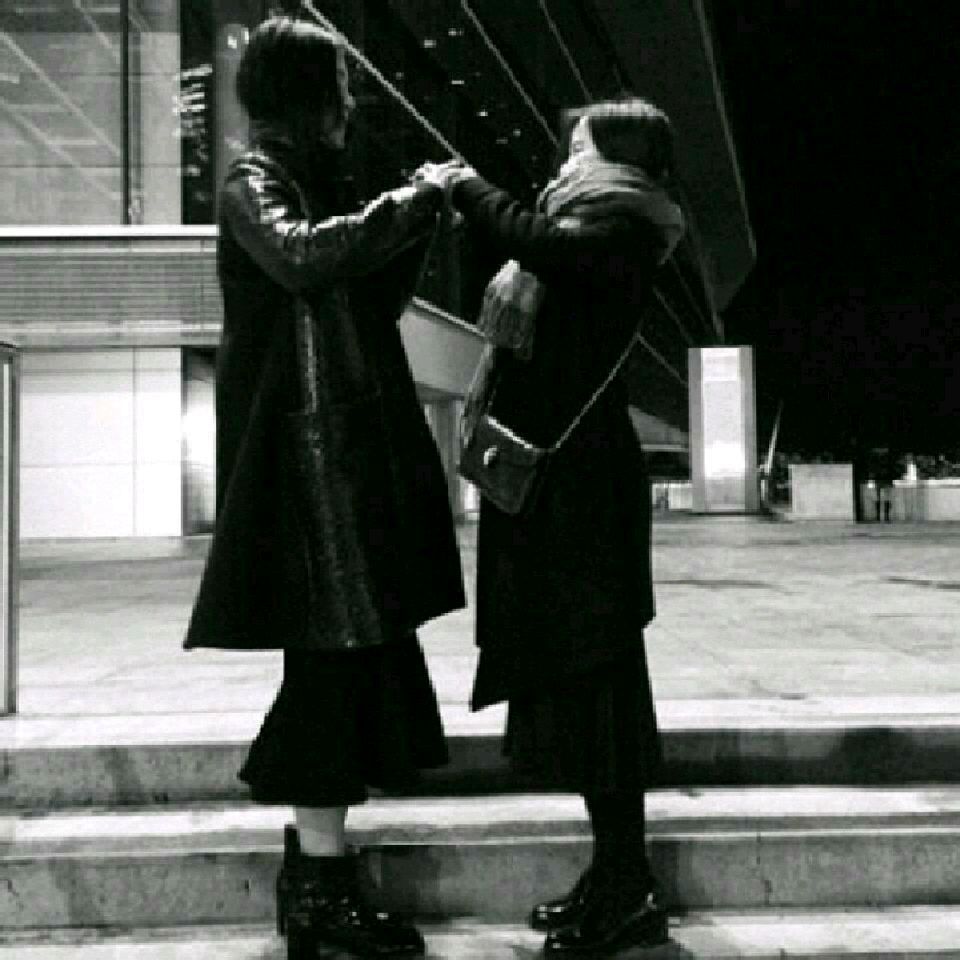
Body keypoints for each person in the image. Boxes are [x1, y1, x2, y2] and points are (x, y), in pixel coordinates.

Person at [183, 16, 465, 960]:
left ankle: (318, 890)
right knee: (329, 675)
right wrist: (409, 204)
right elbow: (304, 257)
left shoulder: (316, 184)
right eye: (337, 85)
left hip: (346, 463)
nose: (349, 103)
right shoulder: (253, 181)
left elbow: (371, 297)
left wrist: (414, 216)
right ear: (303, 94)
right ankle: (318, 892)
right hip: (308, 475)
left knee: (346, 672)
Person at [418, 99, 685, 955]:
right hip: (558, 498)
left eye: (579, 146)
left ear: (618, 159)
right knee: (579, 695)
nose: (566, 159)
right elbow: (531, 248)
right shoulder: (591, 228)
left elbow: (536, 241)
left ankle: (629, 889)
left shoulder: (622, 231)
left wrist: (466, 186)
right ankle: (613, 877)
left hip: (584, 506)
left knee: (600, 694)